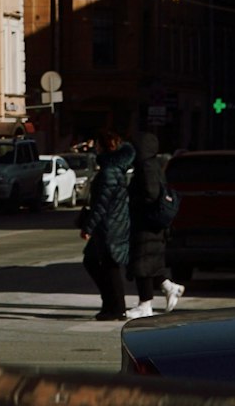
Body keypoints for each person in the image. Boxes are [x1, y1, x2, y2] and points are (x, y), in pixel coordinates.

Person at [125, 131, 185, 318]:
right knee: (150, 264)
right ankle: (170, 287)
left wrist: (135, 203)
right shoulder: (152, 165)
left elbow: (150, 194)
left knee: (141, 264)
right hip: (152, 223)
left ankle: (145, 305)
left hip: (146, 223)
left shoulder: (146, 167)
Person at [79, 129, 135, 321]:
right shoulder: (114, 169)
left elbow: (101, 205)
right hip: (115, 223)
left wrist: (88, 227)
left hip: (109, 225)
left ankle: (115, 307)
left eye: (97, 145)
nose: (94, 149)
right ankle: (112, 306)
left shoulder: (109, 172)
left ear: (103, 147)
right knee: (104, 264)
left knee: (101, 263)